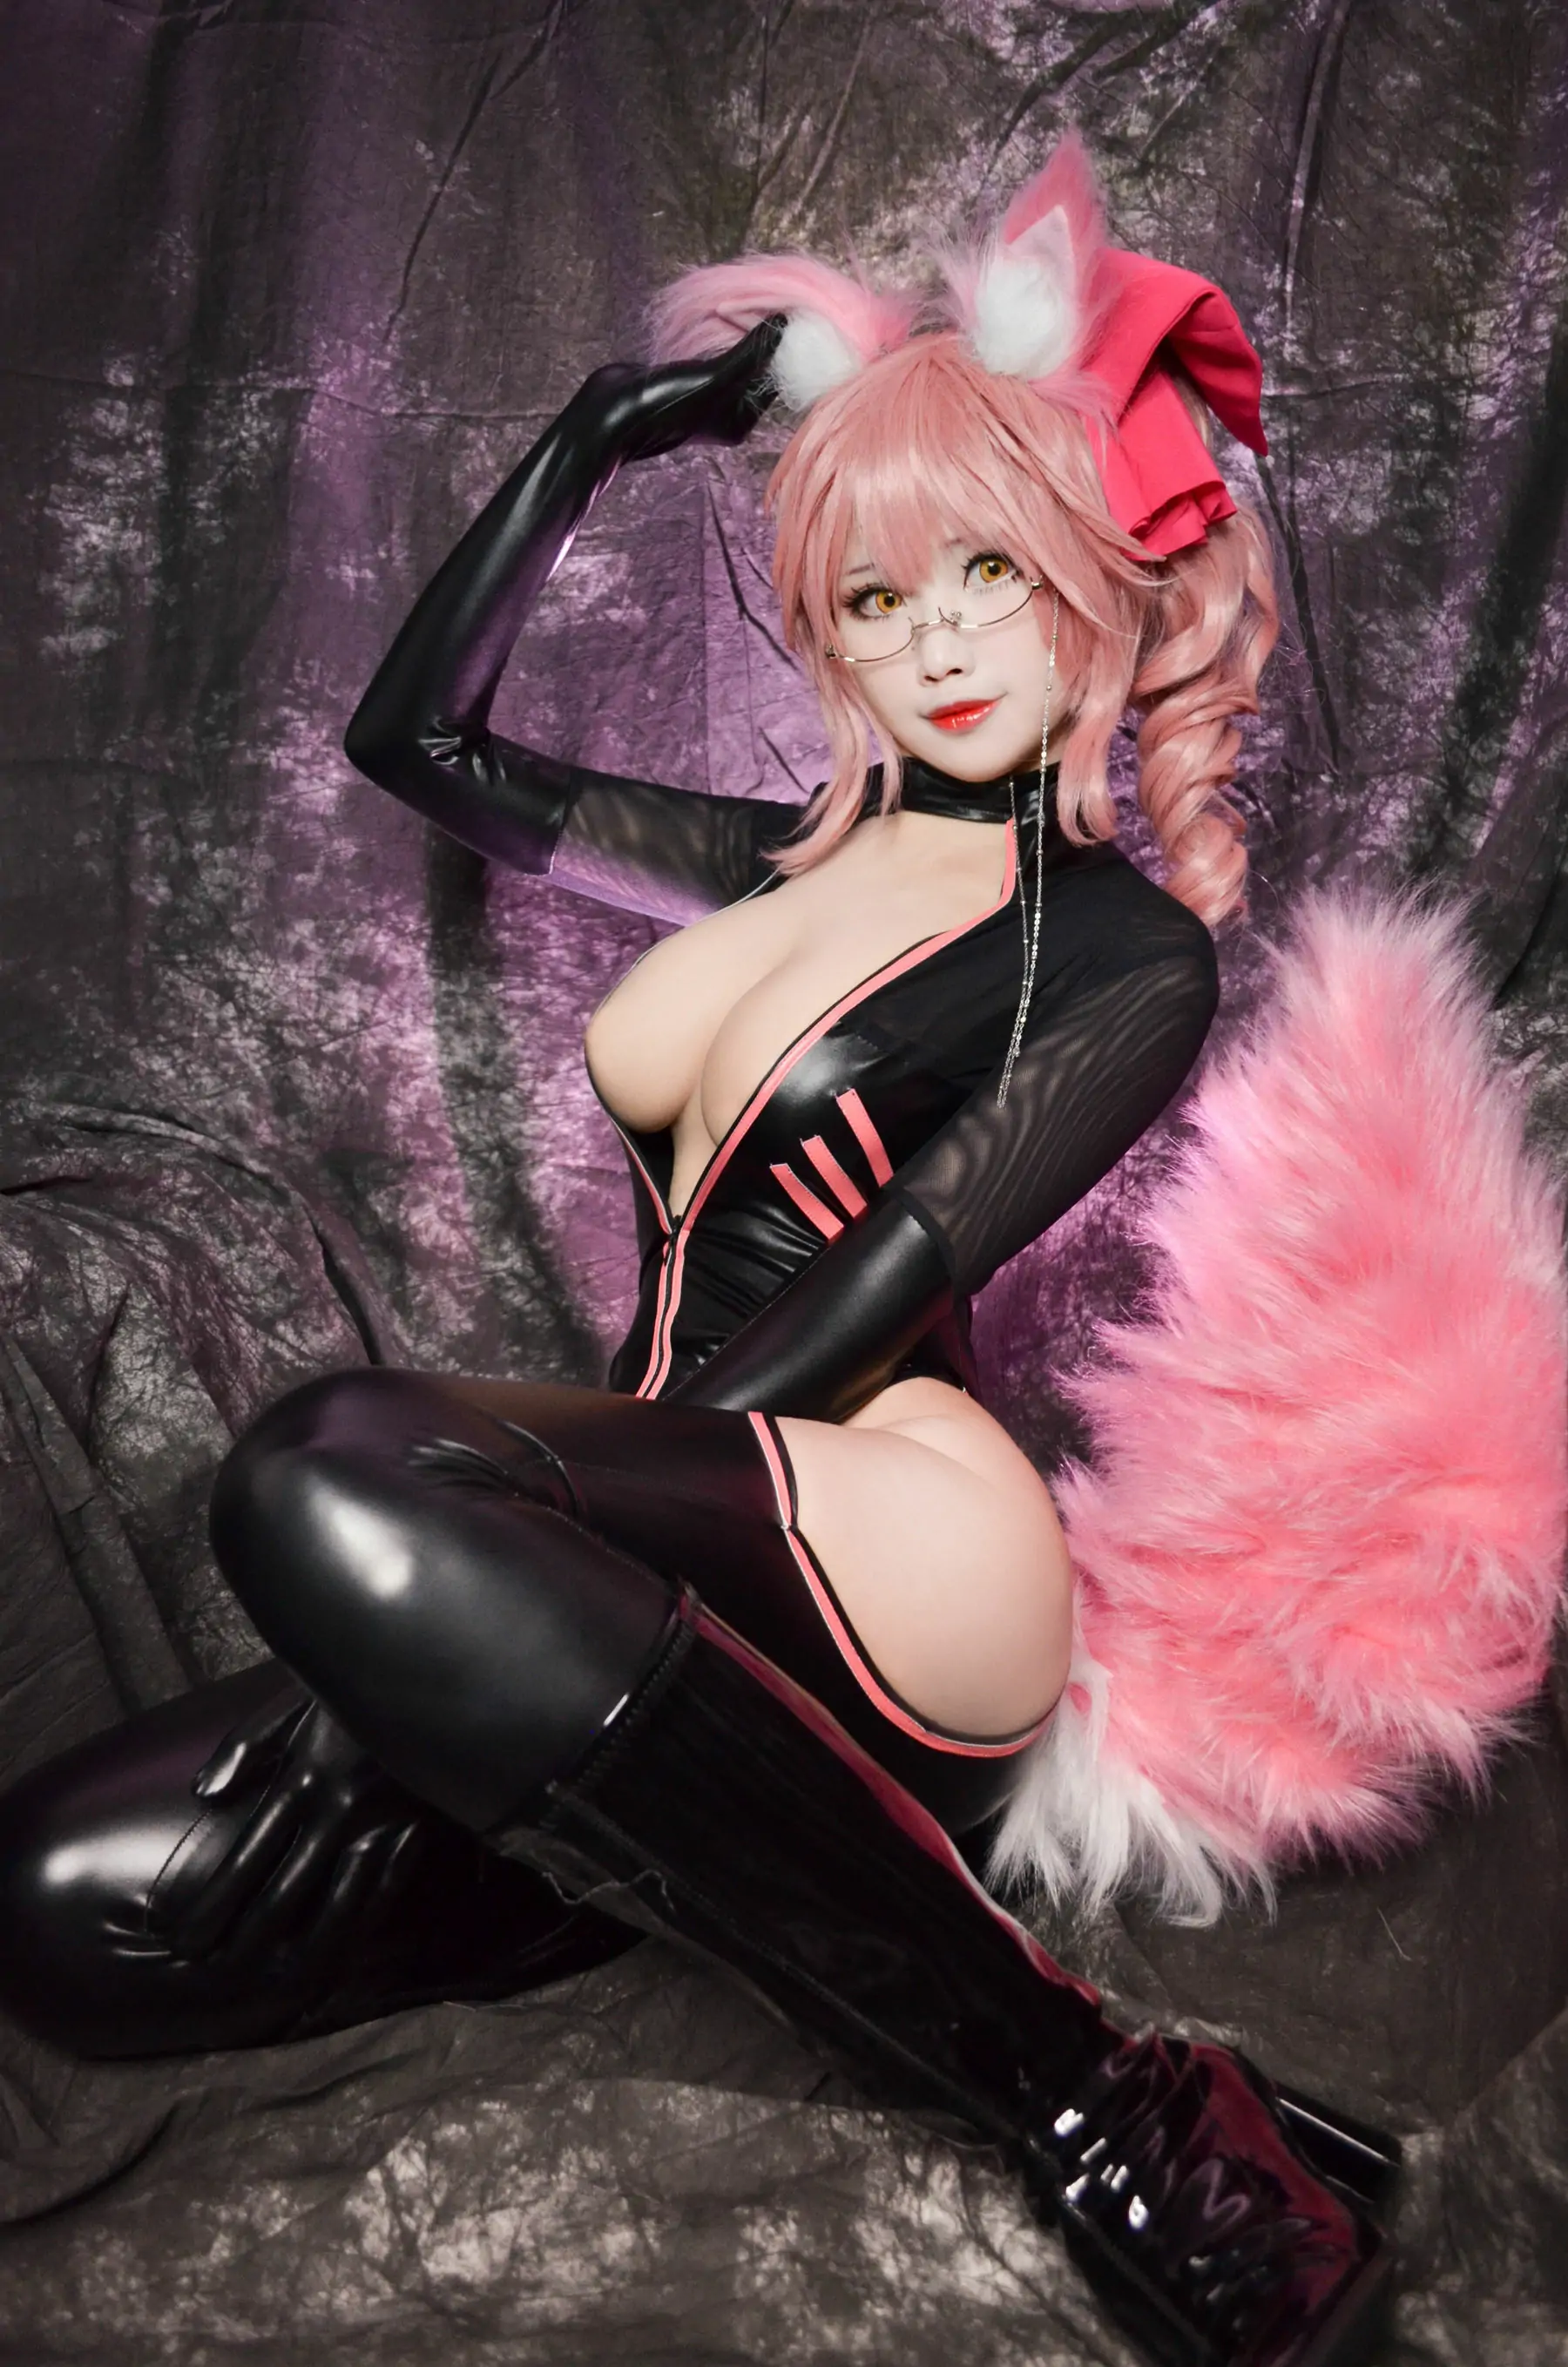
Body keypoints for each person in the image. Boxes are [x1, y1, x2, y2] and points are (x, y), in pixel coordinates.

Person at [0, 142, 1399, 2366]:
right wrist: (600, 431)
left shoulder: (1119, 952)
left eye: (992, 574)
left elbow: (872, 1289)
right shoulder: (763, 864)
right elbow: (414, 742)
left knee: (320, 1467)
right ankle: (677, 1833)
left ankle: (1107, 2098)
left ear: (1092, 585)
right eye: (879, 598)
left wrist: (499, 1535)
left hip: (885, 1533)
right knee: (63, 1899)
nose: (940, 640)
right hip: (636, 1545)